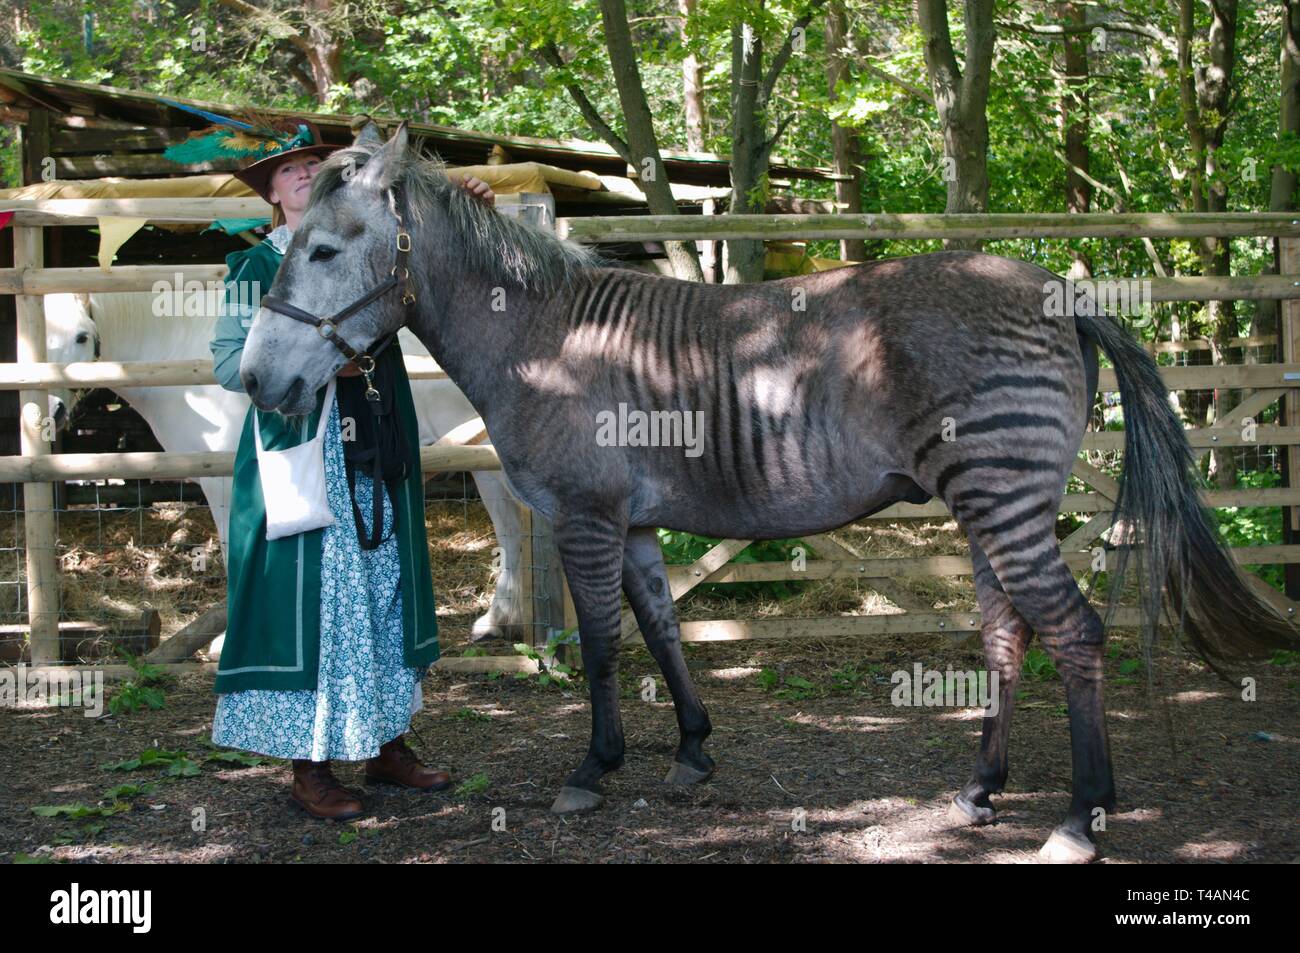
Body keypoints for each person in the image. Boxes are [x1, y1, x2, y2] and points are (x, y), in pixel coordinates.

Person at [207, 126, 495, 820]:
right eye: (290, 170)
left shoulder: (369, 243)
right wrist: (319, 357)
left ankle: (386, 746)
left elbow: (441, 268)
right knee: (320, 600)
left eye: (314, 165)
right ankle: (311, 766)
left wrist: (470, 210)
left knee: (381, 585)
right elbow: (226, 364)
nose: (305, 174)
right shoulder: (254, 269)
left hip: (375, 440)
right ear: (271, 192)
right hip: (303, 453)